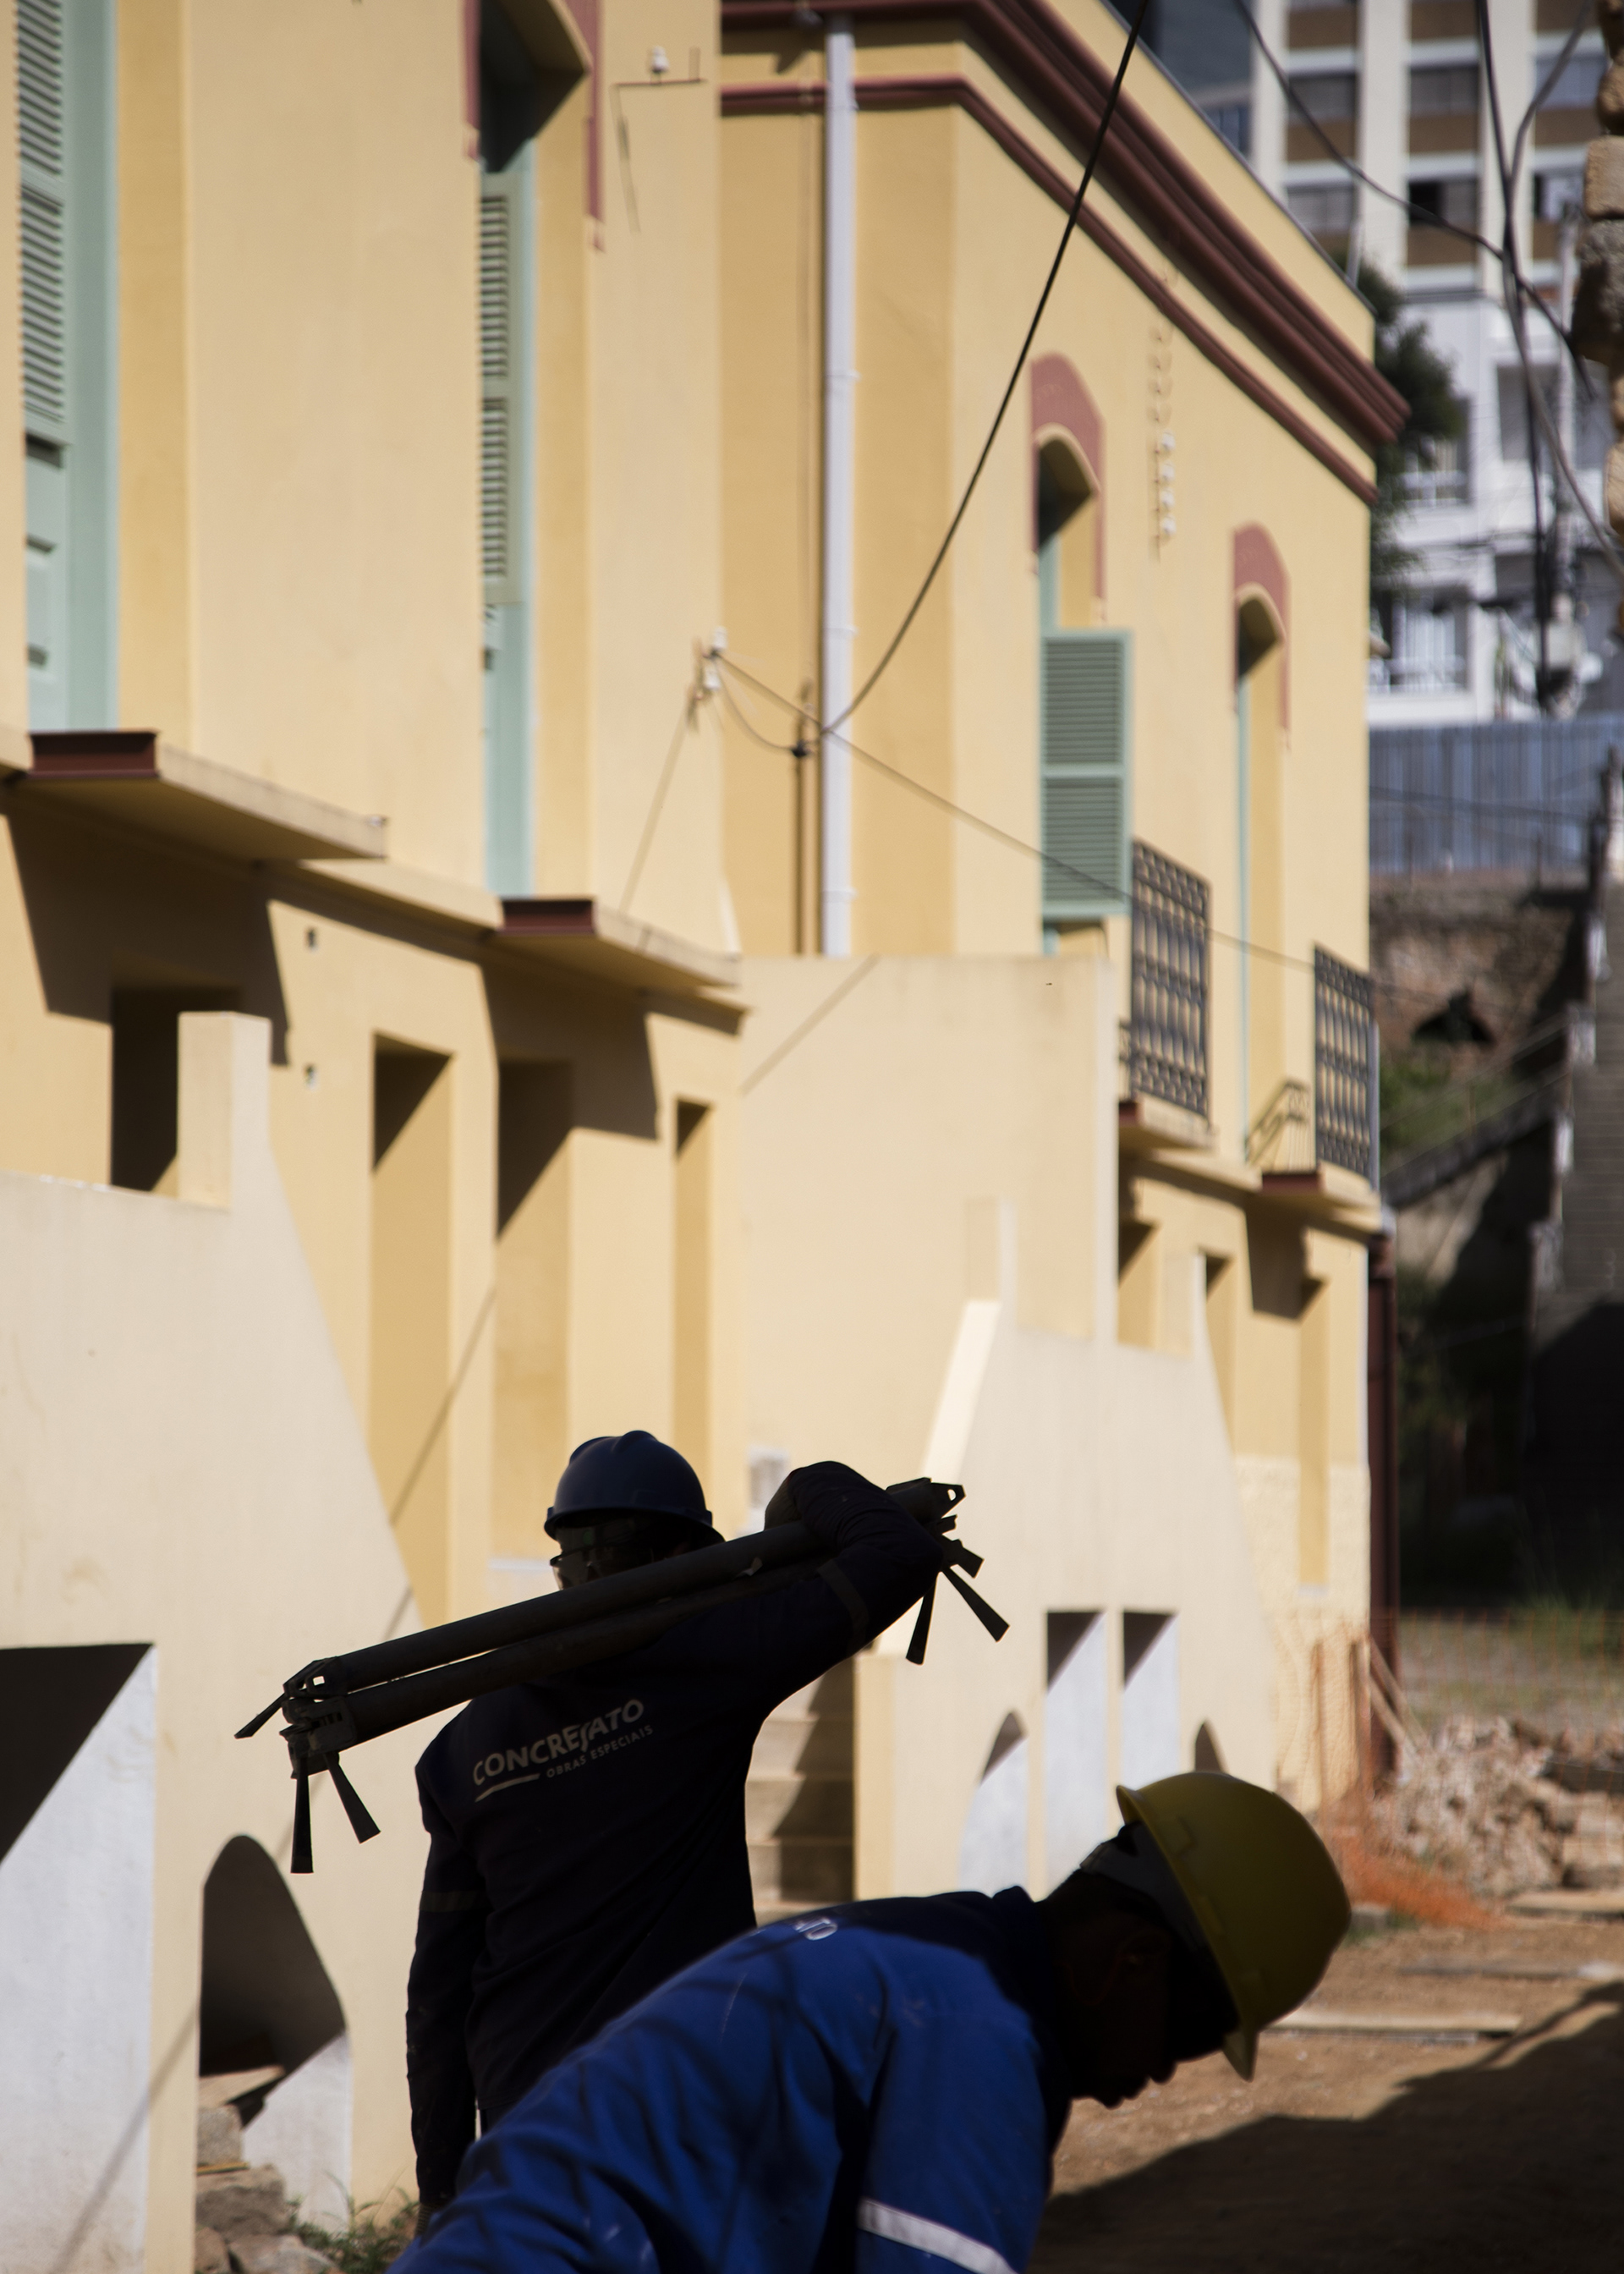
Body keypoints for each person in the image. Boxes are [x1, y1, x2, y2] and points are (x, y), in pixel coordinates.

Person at [399, 1770, 1349, 2273]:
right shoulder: (982, 2040)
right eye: (1186, 2036)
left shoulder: (937, 1957)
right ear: (1131, 1961)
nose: (1164, 2076)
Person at [406, 1432, 943, 2223]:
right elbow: (896, 1551)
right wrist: (802, 1491)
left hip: (527, 2138)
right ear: (684, 1557)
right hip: (684, 2118)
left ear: (566, 1559)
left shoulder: (466, 1747)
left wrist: (442, 2188)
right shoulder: (709, 1663)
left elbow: (439, 1994)